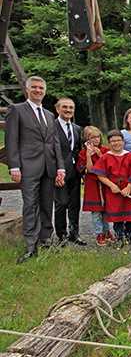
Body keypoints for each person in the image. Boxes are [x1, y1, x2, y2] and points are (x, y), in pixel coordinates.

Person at [6, 76, 65, 263]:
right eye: (35, 87)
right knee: (30, 205)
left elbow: (55, 144)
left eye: (41, 88)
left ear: (45, 91)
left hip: (49, 167)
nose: (38, 90)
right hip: (28, 166)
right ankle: (31, 246)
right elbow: (11, 140)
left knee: (48, 205)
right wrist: (14, 165)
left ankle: (46, 240)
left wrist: (60, 168)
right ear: (28, 89)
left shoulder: (49, 115)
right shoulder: (17, 110)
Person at [91, 130, 131, 246]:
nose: (116, 143)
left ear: (123, 142)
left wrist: (129, 187)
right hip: (113, 191)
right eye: (113, 141)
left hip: (129, 190)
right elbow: (100, 175)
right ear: (109, 143)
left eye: (118, 140)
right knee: (117, 216)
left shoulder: (130, 156)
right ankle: (120, 239)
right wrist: (112, 185)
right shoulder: (106, 157)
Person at [53, 97, 84, 246]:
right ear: (57, 109)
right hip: (59, 171)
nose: (68, 110)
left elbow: (78, 150)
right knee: (61, 203)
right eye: (64, 107)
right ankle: (61, 235)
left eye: (71, 107)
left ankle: (74, 233)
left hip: (75, 172)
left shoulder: (77, 128)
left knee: (74, 204)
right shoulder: (51, 127)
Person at [77, 126, 110, 246]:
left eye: (97, 137)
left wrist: (100, 155)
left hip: (105, 183)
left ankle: (107, 231)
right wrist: (89, 156)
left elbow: (108, 167)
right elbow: (89, 170)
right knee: (96, 211)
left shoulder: (105, 150)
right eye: (92, 137)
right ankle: (99, 233)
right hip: (92, 184)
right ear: (87, 139)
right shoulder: (83, 153)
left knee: (106, 210)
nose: (96, 140)